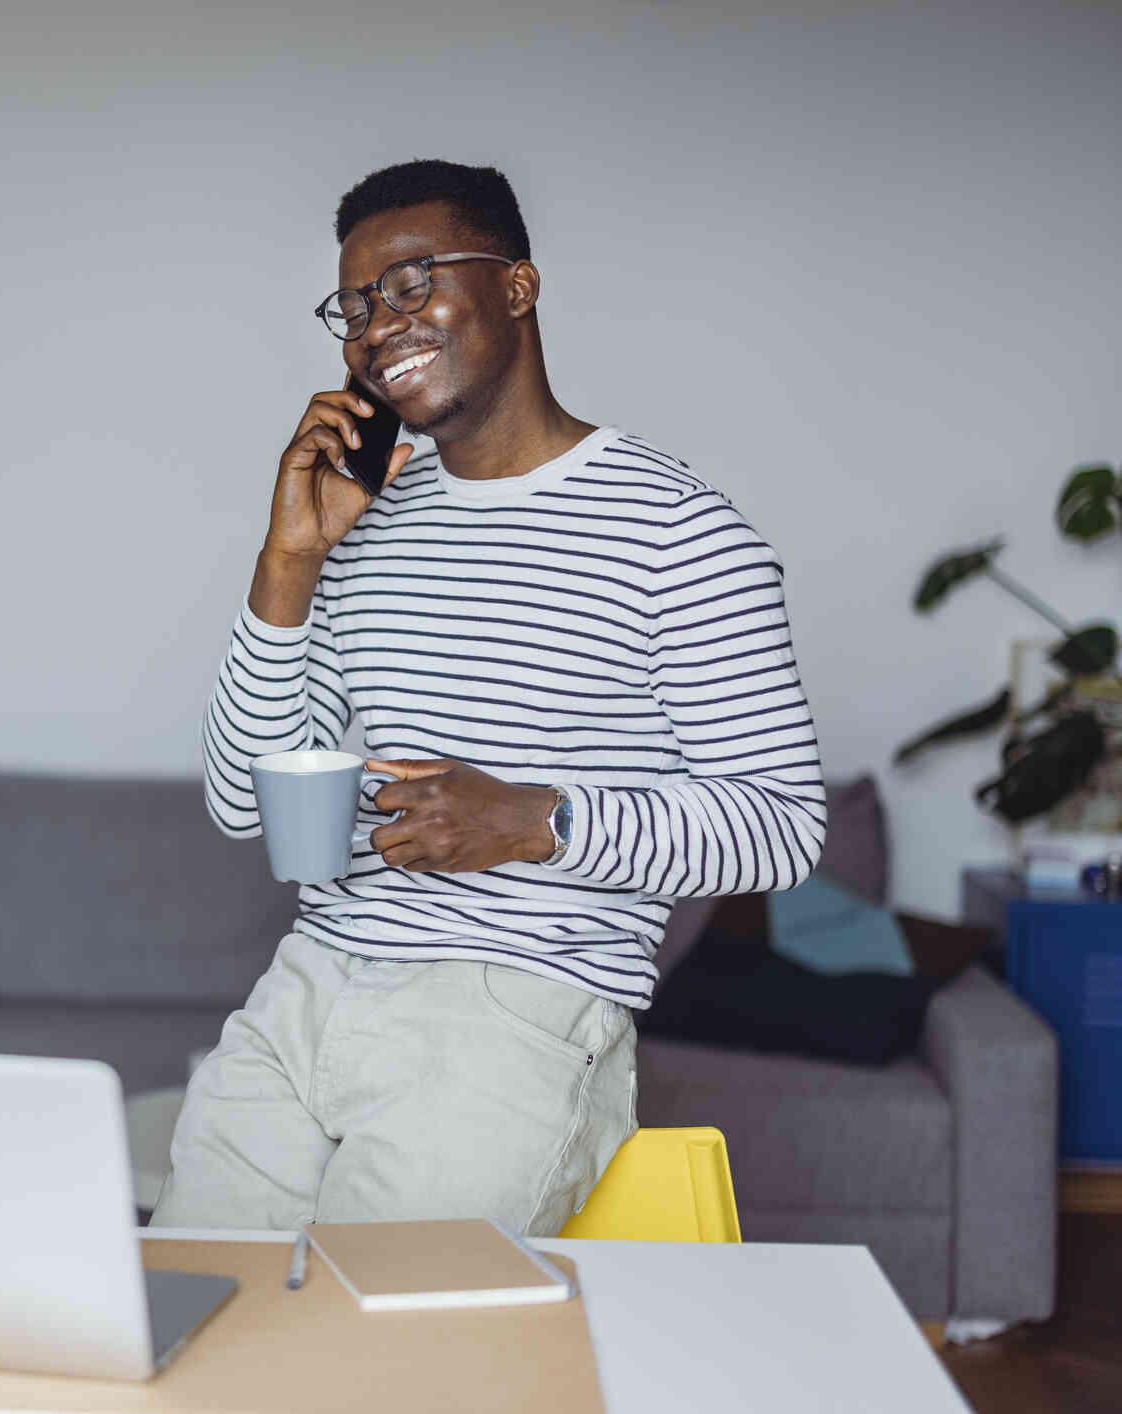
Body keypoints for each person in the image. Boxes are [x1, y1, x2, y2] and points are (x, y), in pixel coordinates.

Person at [149, 160, 825, 1236]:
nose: (378, 326)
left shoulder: (680, 535)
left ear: (516, 286)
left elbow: (781, 828)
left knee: (374, 1369)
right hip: (306, 989)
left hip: (512, 1014)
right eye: (356, 305)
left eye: (413, 283)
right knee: (196, 1313)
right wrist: (287, 561)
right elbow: (246, 804)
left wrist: (529, 819)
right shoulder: (357, 519)